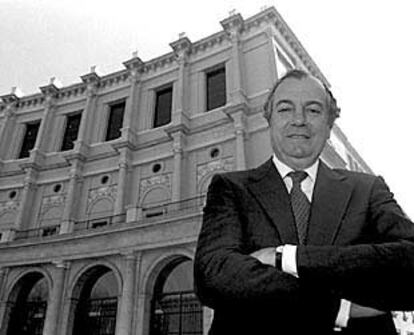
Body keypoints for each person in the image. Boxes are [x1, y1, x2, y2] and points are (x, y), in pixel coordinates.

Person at [194, 69, 414, 335]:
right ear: (270, 119)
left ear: (330, 125)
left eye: (313, 110)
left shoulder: (367, 189)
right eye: (285, 109)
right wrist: (339, 308)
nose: (299, 120)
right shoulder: (230, 188)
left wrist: (287, 257)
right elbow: (214, 275)